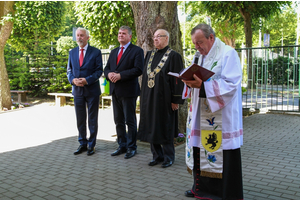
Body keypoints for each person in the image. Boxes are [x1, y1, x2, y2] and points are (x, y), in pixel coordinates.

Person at [182, 23, 243, 199]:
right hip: (200, 113)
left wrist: (203, 86)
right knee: (199, 150)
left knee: (219, 153)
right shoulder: (200, 56)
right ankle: (200, 189)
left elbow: (232, 84)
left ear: (211, 37)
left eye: (199, 42)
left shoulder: (228, 54)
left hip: (221, 118)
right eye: (194, 43)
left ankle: (223, 194)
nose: (197, 47)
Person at [138, 29, 185, 168]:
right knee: (152, 126)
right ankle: (157, 155)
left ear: (167, 38)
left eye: (159, 36)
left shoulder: (174, 56)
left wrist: (176, 99)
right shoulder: (150, 54)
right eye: (154, 37)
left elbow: (178, 80)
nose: (155, 39)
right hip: (149, 97)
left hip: (165, 98)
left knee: (165, 126)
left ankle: (168, 157)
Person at [104, 26, 144, 159]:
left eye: (124, 33)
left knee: (130, 120)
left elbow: (138, 69)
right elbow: (106, 68)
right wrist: (108, 74)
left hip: (128, 91)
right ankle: (122, 145)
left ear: (130, 36)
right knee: (118, 120)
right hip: (115, 90)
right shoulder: (114, 51)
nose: (120, 35)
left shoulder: (137, 51)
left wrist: (121, 75)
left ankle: (132, 147)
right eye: (119, 33)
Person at [67, 27, 103, 156]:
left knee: (92, 119)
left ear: (87, 37)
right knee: (80, 119)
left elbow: (99, 70)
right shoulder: (72, 52)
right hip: (77, 91)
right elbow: (69, 71)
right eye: (77, 35)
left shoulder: (96, 52)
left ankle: (91, 145)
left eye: (82, 35)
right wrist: (72, 80)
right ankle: (82, 143)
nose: (79, 38)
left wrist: (87, 80)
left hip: (92, 90)